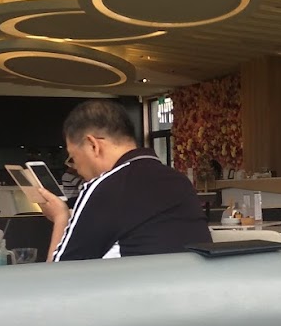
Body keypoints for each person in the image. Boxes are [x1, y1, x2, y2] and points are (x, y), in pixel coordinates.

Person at [34, 100, 209, 261]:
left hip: (140, 285)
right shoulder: (179, 180)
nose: (76, 168)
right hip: (198, 283)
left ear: (93, 145)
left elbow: (59, 275)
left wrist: (61, 217)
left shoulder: (105, 188)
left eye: (73, 157)